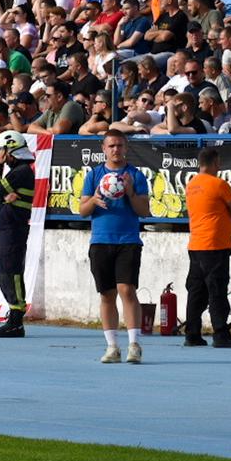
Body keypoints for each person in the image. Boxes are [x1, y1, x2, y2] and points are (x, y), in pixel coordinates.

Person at [79, 129, 151, 363]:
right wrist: (94, 201)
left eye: (119, 145)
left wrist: (130, 192)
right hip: (101, 241)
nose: (116, 150)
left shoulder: (135, 175)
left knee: (126, 290)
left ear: (126, 148)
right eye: (111, 146)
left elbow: (144, 211)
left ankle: (134, 344)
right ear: (104, 149)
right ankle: (112, 347)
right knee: (107, 294)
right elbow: (82, 211)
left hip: (128, 241)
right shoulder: (94, 175)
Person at [182, 146, 231, 349]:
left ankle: (192, 333)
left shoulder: (191, 184)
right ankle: (220, 332)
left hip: (196, 244)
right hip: (215, 244)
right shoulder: (219, 184)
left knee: (196, 291)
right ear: (216, 163)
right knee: (217, 290)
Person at [0, 130, 36, 338]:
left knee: (12, 272)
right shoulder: (17, 171)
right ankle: (13, 314)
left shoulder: (23, 170)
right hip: (5, 226)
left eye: (2, 152)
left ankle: (16, 320)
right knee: (4, 272)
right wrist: (3, 195)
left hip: (13, 228)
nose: (0, 156)